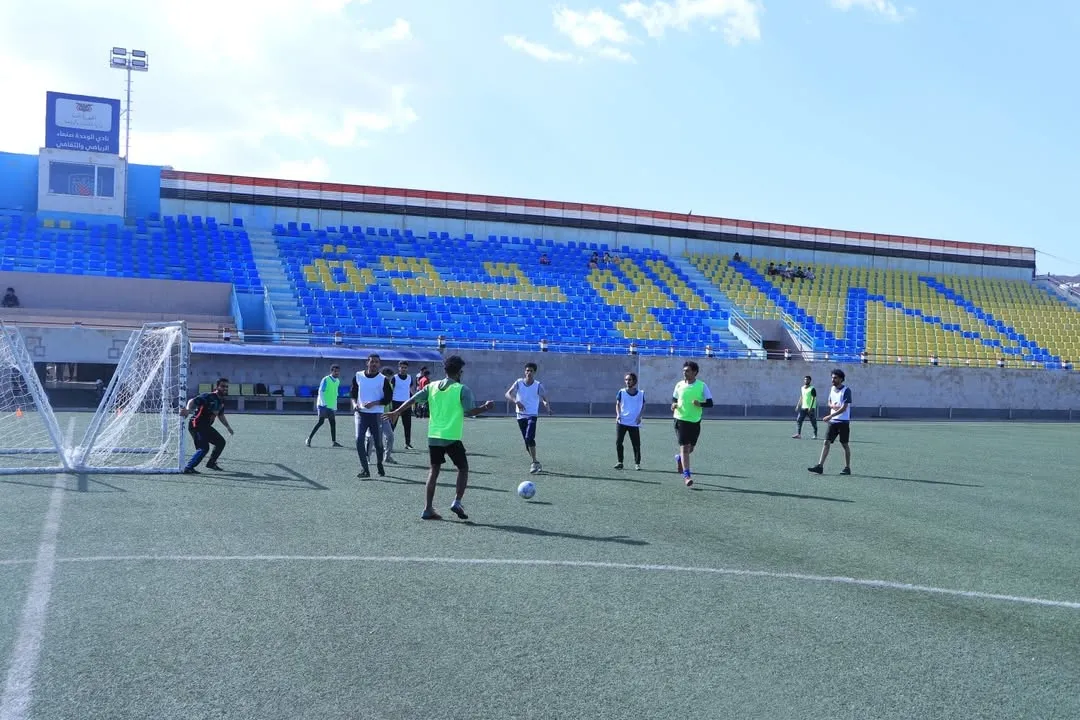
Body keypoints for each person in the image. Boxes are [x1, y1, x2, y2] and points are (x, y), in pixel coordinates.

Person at [384, 355, 495, 521]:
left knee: (434, 470)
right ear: (460, 372)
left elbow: (412, 399)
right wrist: (486, 407)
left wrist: (396, 411)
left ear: (445, 370)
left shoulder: (432, 386)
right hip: (451, 436)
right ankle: (457, 501)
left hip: (434, 436)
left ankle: (428, 508)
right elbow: (470, 411)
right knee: (463, 469)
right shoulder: (462, 389)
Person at [350, 353, 394, 478]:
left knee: (378, 443)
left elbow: (388, 398)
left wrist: (375, 403)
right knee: (359, 440)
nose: (374, 364)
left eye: (376, 362)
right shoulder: (358, 376)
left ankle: (380, 463)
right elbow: (353, 393)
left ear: (379, 364)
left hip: (376, 415)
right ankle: (365, 469)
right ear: (367, 362)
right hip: (361, 414)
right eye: (372, 361)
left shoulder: (383, 379)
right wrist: (354, 404)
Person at [505, 362, 552, 474]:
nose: (529, 373)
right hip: (520, 416)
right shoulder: (519, 382)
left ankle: (534, 462)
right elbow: (508, 393)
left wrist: (546, 406)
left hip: (532, 415)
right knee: (527, 441)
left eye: (531, 371)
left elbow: (544, 398)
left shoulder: (538, 385)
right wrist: (516, 401)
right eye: (527, 370)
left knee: (529, 437)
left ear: (534, 372)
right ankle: (535, 462)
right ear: (524, 372)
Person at [671, 360, 713, 487]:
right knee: (684, 447)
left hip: (695, 421)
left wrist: (700, 404)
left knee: (691, 448)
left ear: (695, 372)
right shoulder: (679, 385)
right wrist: (673, 405)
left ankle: (679, 458)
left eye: (687, 371)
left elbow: (710, 403)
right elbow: (674, 399)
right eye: (684, 371)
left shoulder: (702, 386)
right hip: (680, 419)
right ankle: (687, 475)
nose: (685, 373)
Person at [180, 377, 235, 473]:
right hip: (196, 424)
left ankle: (211, 463)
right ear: (217, 387)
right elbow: (192, 401)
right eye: (222, 386)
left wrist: (228, 427)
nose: (225, 388)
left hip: (205, 426)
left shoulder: (221, 401)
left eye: (226, 387)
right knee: (204, 448)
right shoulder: (208, 396)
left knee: (220, 442)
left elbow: (220, 415)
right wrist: (188, 410)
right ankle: (188, 468)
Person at [808, 369, 853, 475]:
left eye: (835, 378)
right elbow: (829, 401)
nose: (833, 379)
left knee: (844, 444)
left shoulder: (846, 390)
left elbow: (844, 408)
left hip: (843, 422)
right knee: (826, 442)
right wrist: (831, 406)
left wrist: (830, 415)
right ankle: (820, 466)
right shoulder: (832, 389)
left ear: (841, 379)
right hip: (833, 422)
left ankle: (847, 467)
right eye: (832, 377)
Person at [366, 368, 397, 465]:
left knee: (390, 436)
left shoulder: (390, 385)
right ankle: (367, 458)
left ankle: (387, 457)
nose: (390, 379)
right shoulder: (376, 384)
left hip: (385, 415)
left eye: (391, 377)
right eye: (388, 377)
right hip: (374, 414)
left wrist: (391, 412)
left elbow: (389, 400)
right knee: (370, 437)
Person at [306, 364, 343, 447]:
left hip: (331, 406)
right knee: (320, 422)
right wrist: (323, 403)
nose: (337, 373)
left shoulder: (337, 381)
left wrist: (335, 406)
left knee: (333, 423)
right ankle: (309, 438)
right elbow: (321, 391)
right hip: (323, 405)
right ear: (332, 371)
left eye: (338, 371)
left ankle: (334, 442)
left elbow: (335, 394)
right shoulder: (326, 379)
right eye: (335, 371)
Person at [614, 372, 644, 470]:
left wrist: (640, 416)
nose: (627, 381)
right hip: (622, 421)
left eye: (630, 379)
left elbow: (643, 405)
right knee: (619, 442)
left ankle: (637, 463)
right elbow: (617, 404)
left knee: (636, 444)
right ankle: (620, 462)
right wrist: (618, 415)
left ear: (634, 381)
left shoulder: (640, 393)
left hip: (634, 422)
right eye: (626, 380)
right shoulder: (621, 392)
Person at [390, 360, 415, 449]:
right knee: (392, 424)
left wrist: (415, 399)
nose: (403, 369)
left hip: (406, 404)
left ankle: (407, 443)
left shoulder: (409, 377)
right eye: (402, 367)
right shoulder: (394, 378)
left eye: (405, 367)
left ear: (407, 368)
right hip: (395, 403)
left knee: (407, 424)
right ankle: (389, 442)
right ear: (399, 368)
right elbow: (391, 390)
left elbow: (411, 390)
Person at [792, 375, 818, 439]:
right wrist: (798, 405)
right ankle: (798, 434)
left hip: (810, 408)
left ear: (810, 380)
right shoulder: (802, 388)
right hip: (803, 407)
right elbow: (801, 397)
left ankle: (815, 435)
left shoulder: (812, 388)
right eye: (805, 379)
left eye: (807, 379)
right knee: (799, 420)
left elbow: (813, 398)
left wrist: (810, 407)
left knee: (813, 422)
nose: (806, 380)